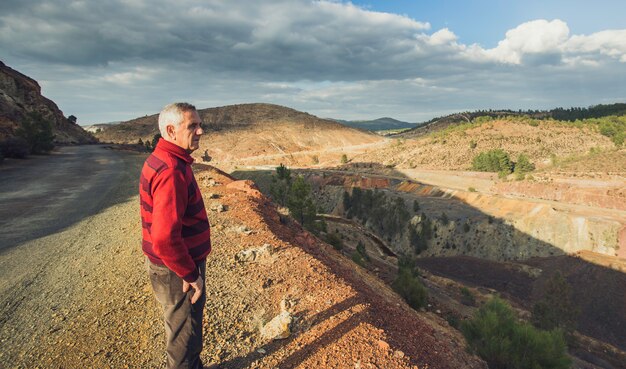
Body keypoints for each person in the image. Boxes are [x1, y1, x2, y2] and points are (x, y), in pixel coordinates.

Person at [139, 102, 211, 369]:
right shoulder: (171, 170)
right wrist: (190, 274)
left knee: (184, 328)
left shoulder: (163, 159)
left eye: (199, 124)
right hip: (177, 270)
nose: (200, 131)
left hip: (170, 266)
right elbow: (165, 238)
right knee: (184, 335)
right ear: (171, 130)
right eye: (192, 126)